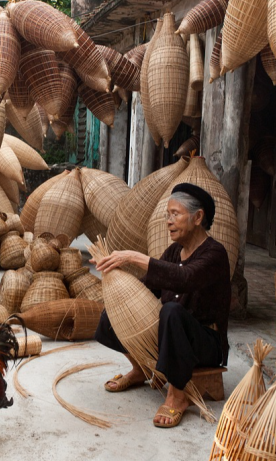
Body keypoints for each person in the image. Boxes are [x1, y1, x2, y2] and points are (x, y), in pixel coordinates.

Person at [92, 183, 230, 428]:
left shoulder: (215, 254)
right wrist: (117, 279)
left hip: (205, 342)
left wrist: (134, 256)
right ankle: (141, 369)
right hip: (170, 335)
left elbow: (184, 278)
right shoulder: (174, 251)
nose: (169, 221)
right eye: (168, 215)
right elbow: (147, 287)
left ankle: (177, 396)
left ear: (198, 217)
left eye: (175, 214)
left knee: (171, 311)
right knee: (113, 315)